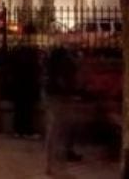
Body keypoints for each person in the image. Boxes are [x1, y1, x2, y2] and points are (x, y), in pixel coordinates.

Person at [45, 44, 85, 176]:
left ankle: (51, 165)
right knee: (60, 132)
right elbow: (68, 81)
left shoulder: (52, 63)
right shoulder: (66, 62)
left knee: (54, 131)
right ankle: (57, 167)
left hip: (53, 96)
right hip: (61, 97)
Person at [1, 24, 43, 137]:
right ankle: (25, 130)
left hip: (20, 80)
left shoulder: (20, 48)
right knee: (25, 107)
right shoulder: (29, 49)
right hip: (25, 80)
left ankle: (19, 130)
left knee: (22, 107)